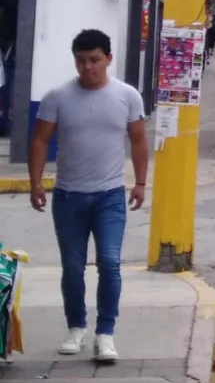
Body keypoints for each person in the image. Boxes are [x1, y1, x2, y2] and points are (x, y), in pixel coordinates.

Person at [28, 29, 148, 364]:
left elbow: (138, 140)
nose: (88, 67)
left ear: (108, 59)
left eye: (94, 60)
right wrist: (35, 182)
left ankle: (105, 333)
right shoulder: (57, 97)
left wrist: (140, 183)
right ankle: (75, 326)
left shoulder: (127, 96)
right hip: (69, 196)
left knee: (110, 262)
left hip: (110, 195)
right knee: (72, 266)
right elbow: (39, 141)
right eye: (81, 61)